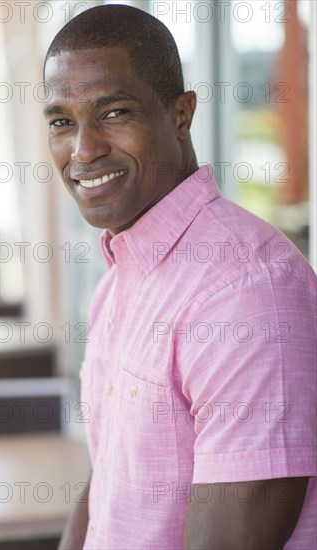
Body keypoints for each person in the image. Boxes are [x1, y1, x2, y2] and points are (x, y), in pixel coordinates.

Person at [43, 5, 316, 549]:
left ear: (181, 114)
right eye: (62, 122)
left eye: (114, 113)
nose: (84, 149)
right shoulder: (118, 282)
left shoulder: (246, 293)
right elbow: (110, 483)